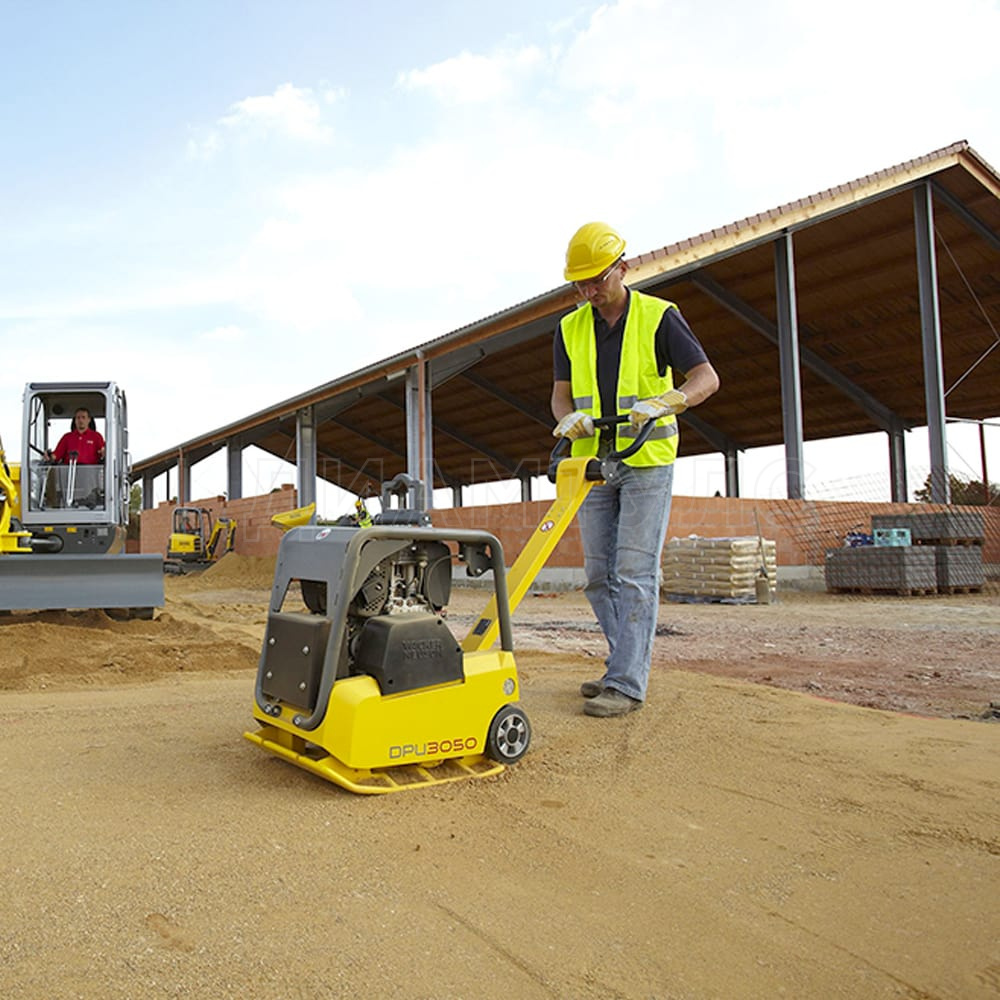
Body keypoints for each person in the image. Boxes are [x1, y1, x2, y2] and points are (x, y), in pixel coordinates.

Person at [551, 222, 720, 718]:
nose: (588, 291)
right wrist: (568, 420)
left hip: (646, 462)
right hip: (596, 463)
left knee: (635, 572)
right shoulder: (569, 328)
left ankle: (626, 682)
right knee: (599, 576)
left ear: (623, 267)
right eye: (580, 283)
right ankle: (622, 664)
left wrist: (672, 400)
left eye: (597, 279)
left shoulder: (660, 317)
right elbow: (560, 397)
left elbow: (706, 377)